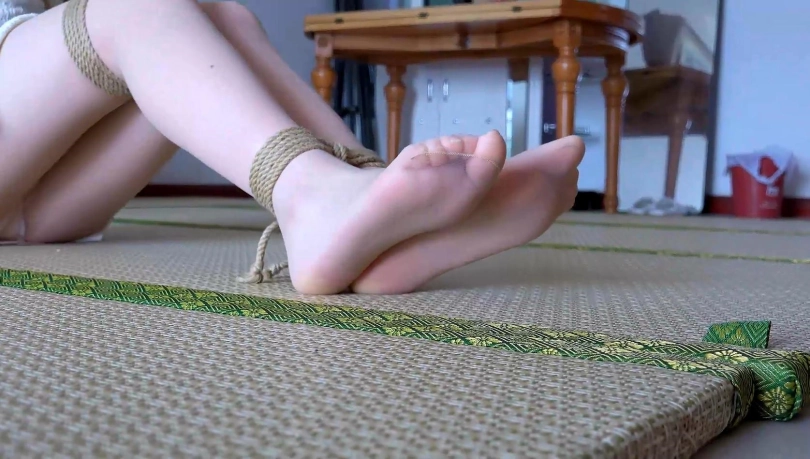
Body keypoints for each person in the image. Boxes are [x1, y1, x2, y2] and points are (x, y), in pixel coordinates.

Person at [0, 0, 584, 295]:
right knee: (137, 7)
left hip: (38, 209)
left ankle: (377, 216)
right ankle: (314, 198)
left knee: (223, 15)